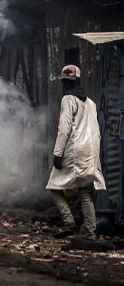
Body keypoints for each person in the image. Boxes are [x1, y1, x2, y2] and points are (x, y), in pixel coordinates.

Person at [46, 65, 105, 240]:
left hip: (74, 149)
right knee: (85, 192)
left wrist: (57, 153)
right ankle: (90, 231)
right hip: (90, 151)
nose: (64, 85)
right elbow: (97, 131)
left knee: (54, 186)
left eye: (66, 82)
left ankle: (69, 222)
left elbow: (63, 129)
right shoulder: (91, 103)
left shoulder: (68, 99)